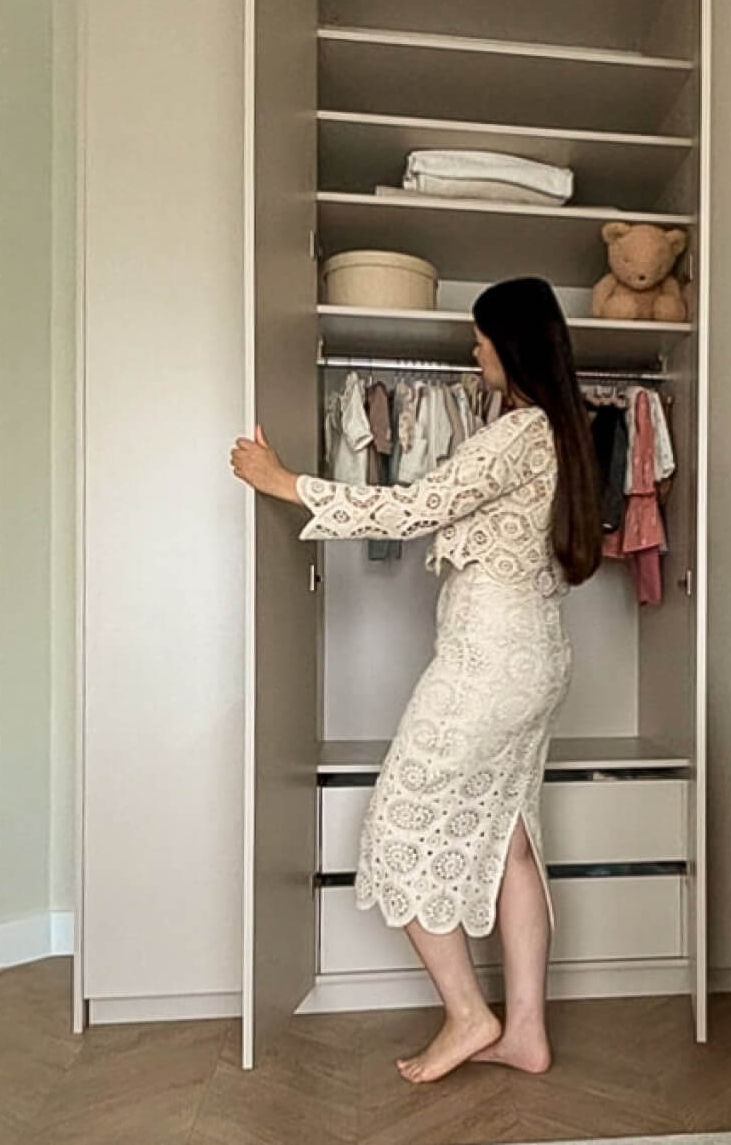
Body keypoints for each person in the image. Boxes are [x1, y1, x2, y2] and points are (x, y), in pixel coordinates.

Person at [229, 277, 603, 1084]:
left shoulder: (518, 433)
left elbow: (413, 507)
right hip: (536, 659)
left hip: (490, 661)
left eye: (481, 338)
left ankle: (471, 1015)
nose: (474, 351)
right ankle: (526, 1032)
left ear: (512, 344)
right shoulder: (557, 434)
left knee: (397, 824)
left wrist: (283, 480)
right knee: (510, 845)